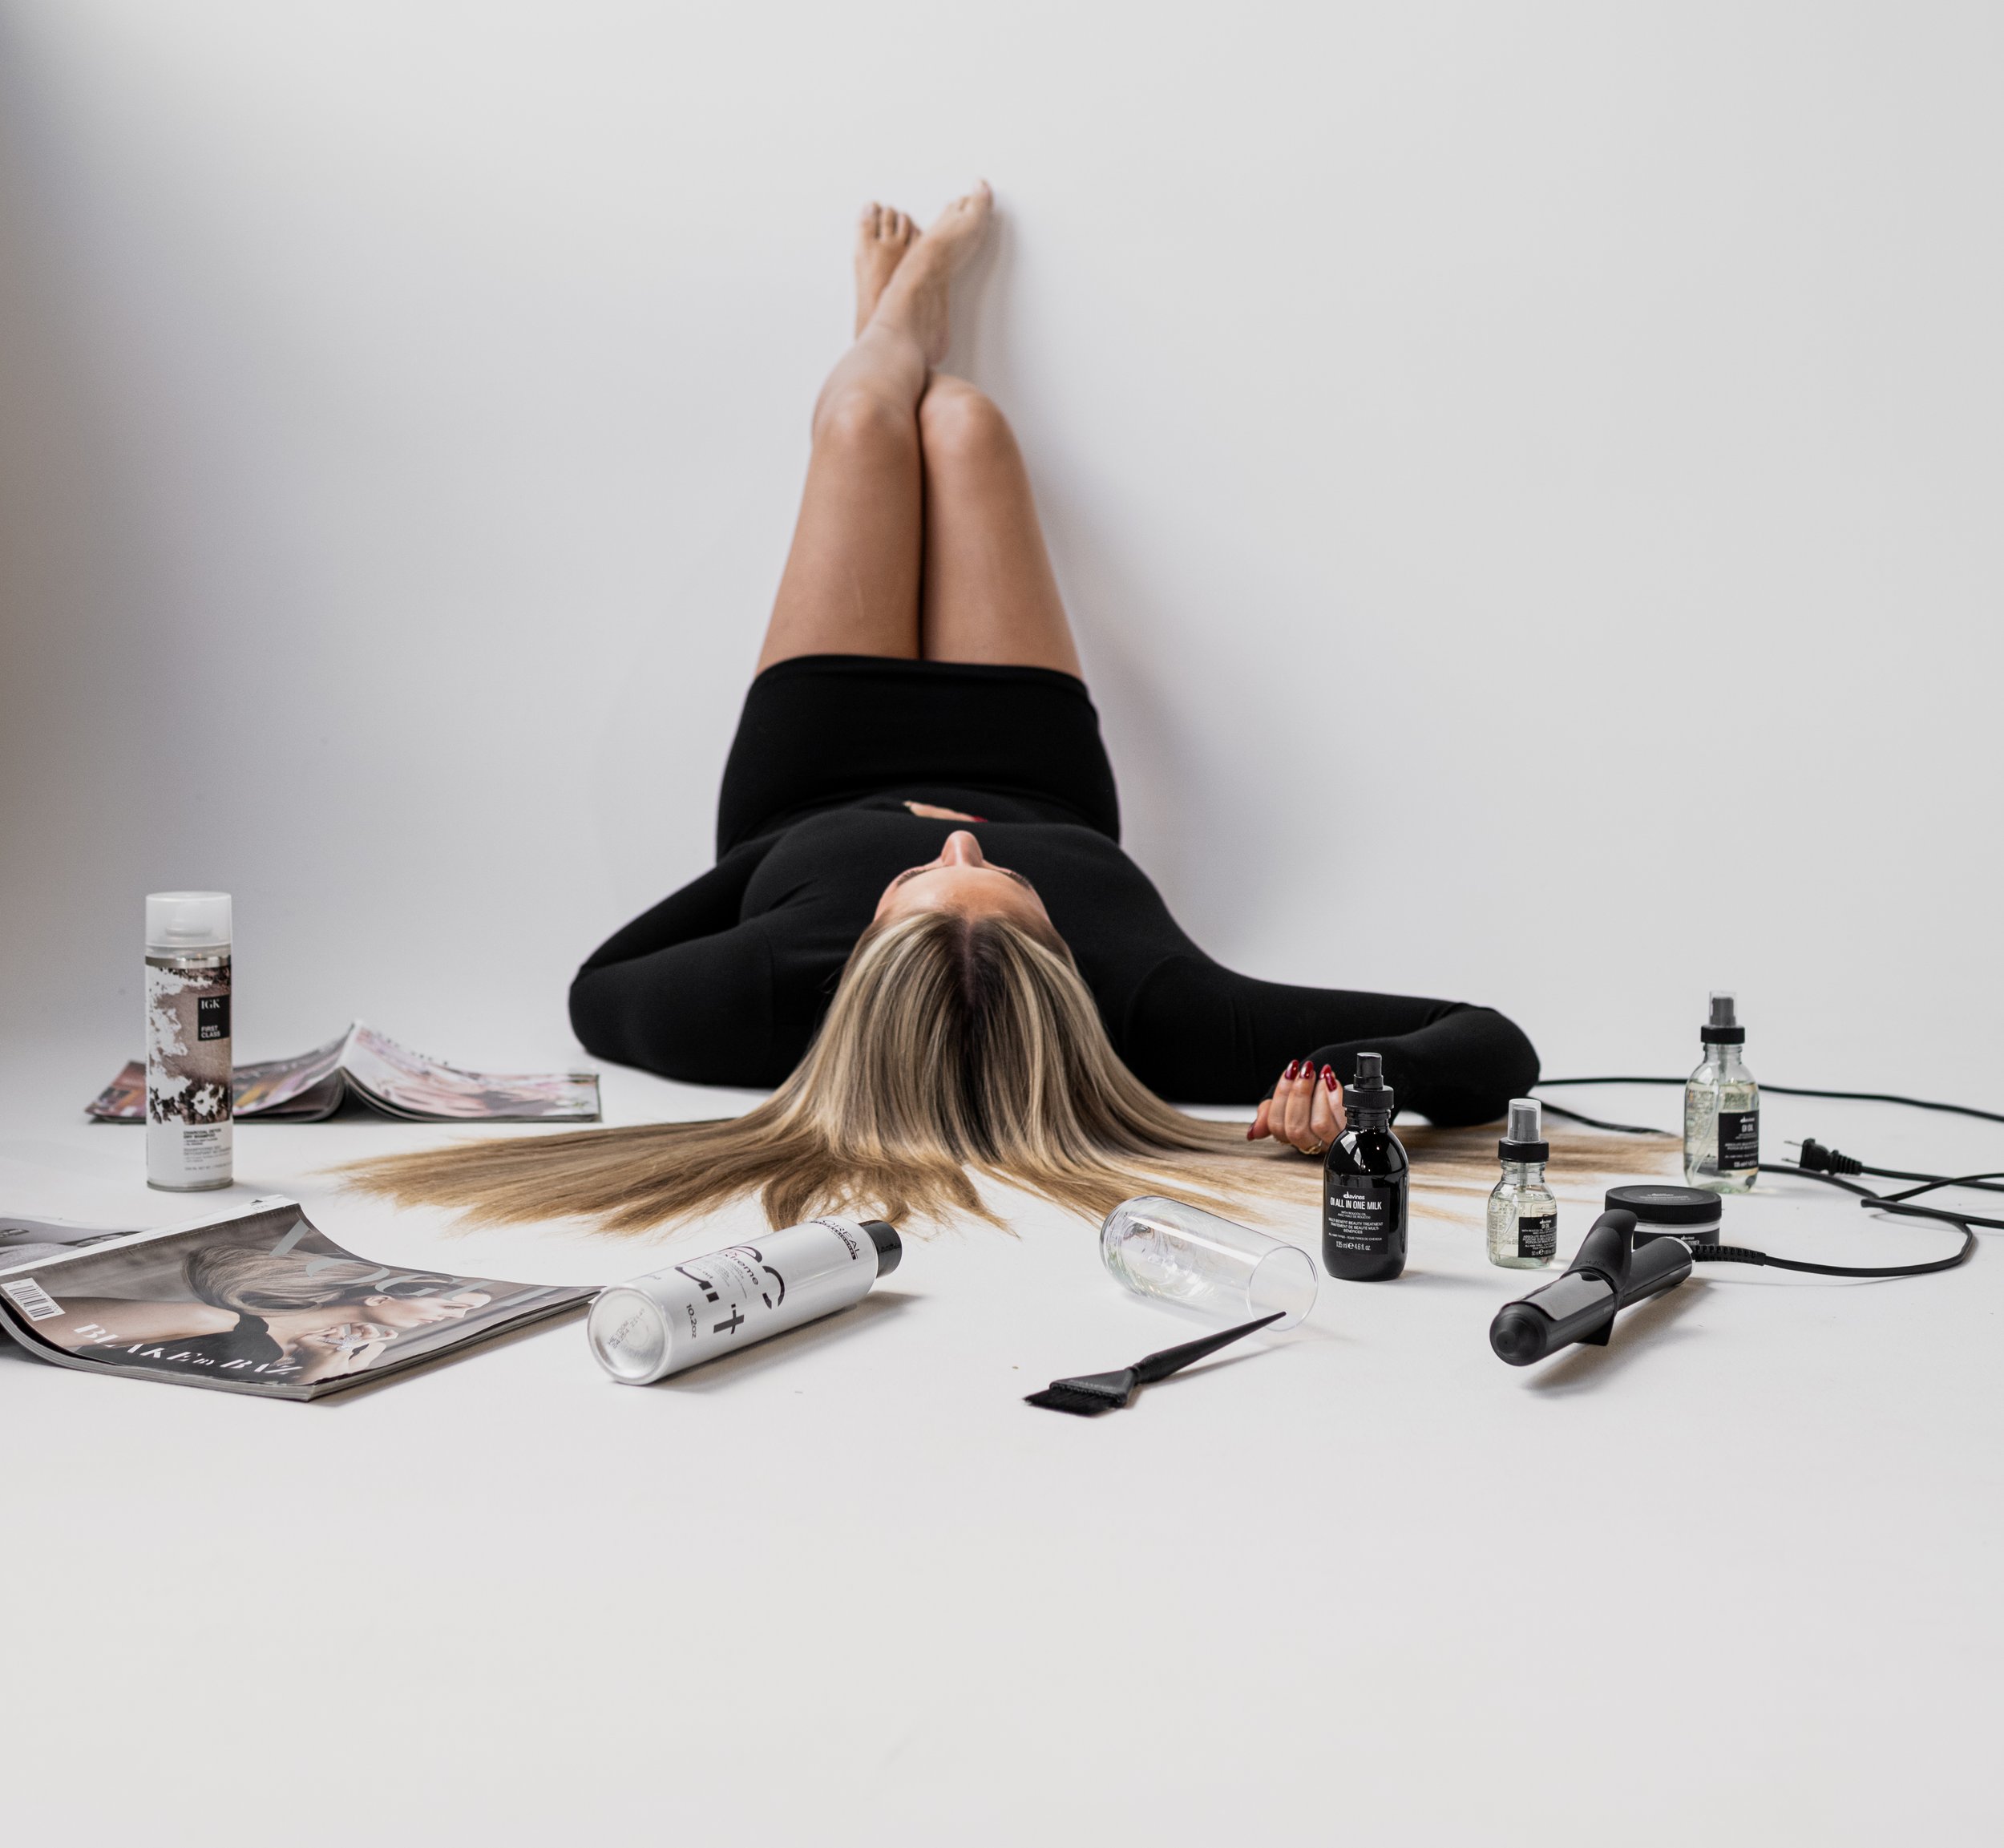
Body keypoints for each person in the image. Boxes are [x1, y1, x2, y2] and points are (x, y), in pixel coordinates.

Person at [351, 184, 1536, 1235]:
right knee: (964, 427)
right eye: (1015, 888)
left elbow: (597, 988)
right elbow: (1491, 1037)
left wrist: (758, 872)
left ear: (864, 953)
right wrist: (1346, 1081)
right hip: (1029, 751)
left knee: (865, 424)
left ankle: (888, 324)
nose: (957, 837)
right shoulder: (1155, 1013)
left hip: (813, 763)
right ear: (1063, 971)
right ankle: (907, 338)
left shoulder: (763, 997)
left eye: (917, 880)